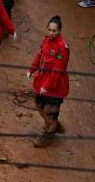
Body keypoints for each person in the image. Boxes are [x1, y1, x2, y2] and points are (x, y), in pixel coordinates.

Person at [27, 15, 69, 147]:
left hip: (55, 86)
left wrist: (47, 86)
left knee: (50, 110)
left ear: (59, 31)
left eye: (54, 31)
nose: (51, 33)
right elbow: (39, 55)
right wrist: (32, 69)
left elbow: (58, 69)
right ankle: (54, 124)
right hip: (42, 81)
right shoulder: (45, 41)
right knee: (39, 105)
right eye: (49, 30)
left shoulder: (63, 47)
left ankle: (48, 135)